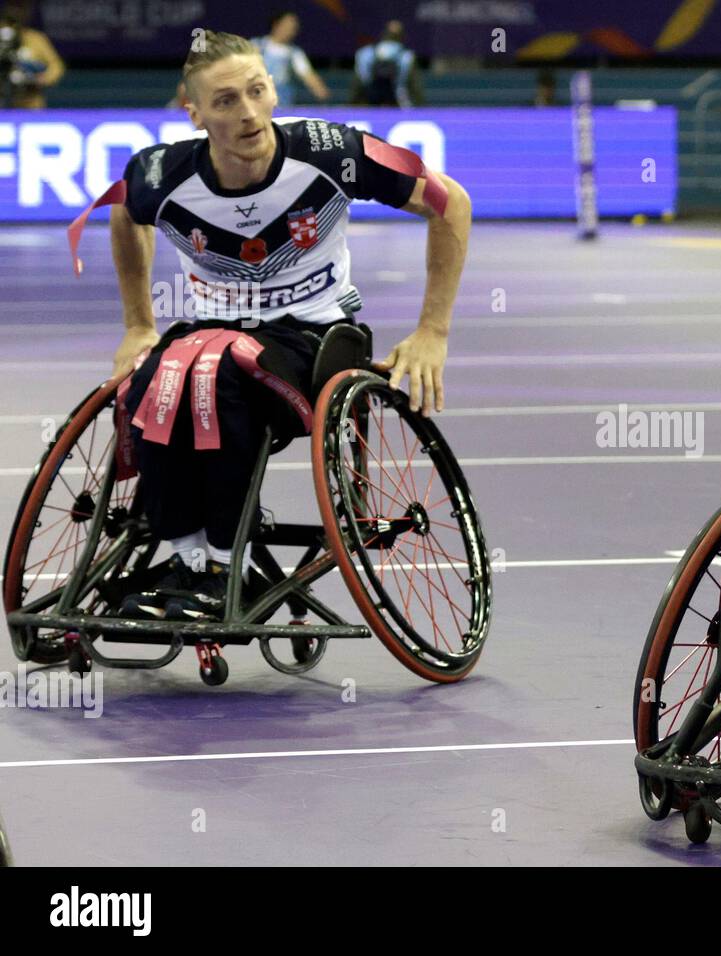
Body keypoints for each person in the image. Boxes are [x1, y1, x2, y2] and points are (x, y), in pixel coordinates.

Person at [87, 30, 470, 621]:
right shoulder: (160, 173)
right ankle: (185, 556)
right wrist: (138, 325)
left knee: (217, 374)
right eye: (225, 102)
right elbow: (125, 216)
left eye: (257, 91)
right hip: (205, 334)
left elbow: (450, 202)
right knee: (152, 383)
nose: (247, 114)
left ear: (272, 91)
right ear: (194, 113)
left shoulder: (331, 150)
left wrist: (433, 332)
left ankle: (225, 563)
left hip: (314, 341)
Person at [253, 11, 329, 107]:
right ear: (276, 24)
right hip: (257, 102)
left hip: (283, 104)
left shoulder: (295, 53)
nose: (290, 31)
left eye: (293, 28)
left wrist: (320, 91)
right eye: (287, 26)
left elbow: (307, 75)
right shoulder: (256, 46)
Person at [0, 4, 63, 109]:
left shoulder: (36, 39)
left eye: (21, 8)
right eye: (14, 7)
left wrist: (44, 79)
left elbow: (56, 66)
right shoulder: (3, 36)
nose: (17, 12)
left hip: (30, 103)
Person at [354, 20, 417, 107]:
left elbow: (363, 78)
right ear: (402, 36)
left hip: (371, 97)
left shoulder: (366, 52)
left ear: (384, 33)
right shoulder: (407, 55)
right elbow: (403, 84)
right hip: (395, 98)